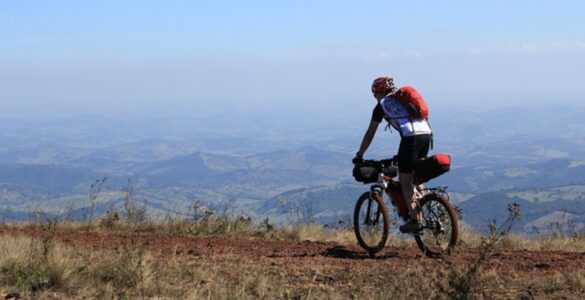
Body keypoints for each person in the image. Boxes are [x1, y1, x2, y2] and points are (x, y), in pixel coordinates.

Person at [353, 76, 432, 233]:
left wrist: (359, 154)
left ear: (378, 91)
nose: (375, 98)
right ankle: (424, 206)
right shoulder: (403, 100)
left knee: (405, 181)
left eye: (374, 95)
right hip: (427, 135)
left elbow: (370, 134)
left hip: (411, 138)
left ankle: (416, 220)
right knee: (416, 177)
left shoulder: (382, 106)